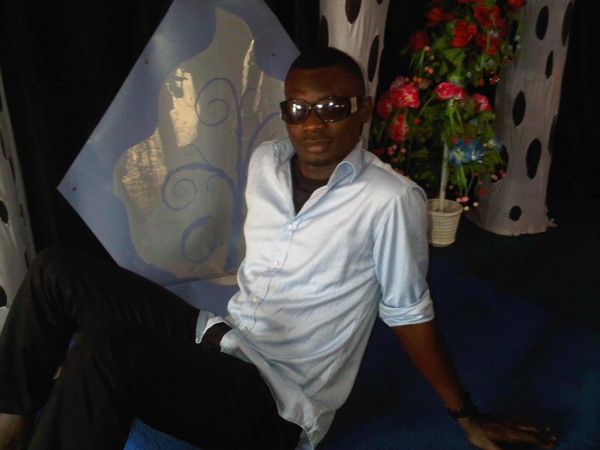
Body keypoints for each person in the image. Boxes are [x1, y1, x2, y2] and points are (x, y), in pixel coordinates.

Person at [0, 47, 556, 450]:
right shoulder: (266, 161)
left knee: (106, 347)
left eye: (333, 108)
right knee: (55, 269)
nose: (313, 125)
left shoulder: (390, 199)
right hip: (224, 339)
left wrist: (466, 415)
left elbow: (409, 313)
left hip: (275, 404)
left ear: (363, 110)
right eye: (298, 109)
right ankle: (11, 421)